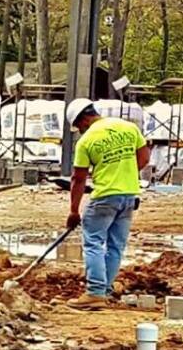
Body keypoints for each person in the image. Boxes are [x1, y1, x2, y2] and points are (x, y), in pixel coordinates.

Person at [64, 98, 151, 308]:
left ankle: (94, 292)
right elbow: (144, 158)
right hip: (129, 196)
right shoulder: (128, 127)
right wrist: (124, 172)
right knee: (115, 246)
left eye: (78, 127)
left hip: (104, 196)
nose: (80, 131)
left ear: (83, 120)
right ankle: (106, 290)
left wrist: (74, 211)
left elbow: (78, 178)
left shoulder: (86, 142)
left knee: (93, 243)